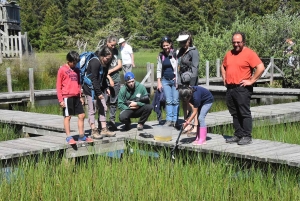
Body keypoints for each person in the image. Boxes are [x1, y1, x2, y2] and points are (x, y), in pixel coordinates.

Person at [221, 31, 265, 145]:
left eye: (238, 42)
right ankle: (238, 134)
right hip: (230, 88)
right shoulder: (229, 53)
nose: (236, 44)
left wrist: (251, 80)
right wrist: (224, 77)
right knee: (234, 113)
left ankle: (246, 135)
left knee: (244, 112)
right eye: (234, 42)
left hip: (242, 88)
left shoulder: (249, 53)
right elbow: (223, 65)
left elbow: (260, 67)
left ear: (243, 42)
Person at [56, 51, 93, 144]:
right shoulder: (62, 70)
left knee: (82, 115)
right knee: (68, 117)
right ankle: (69, 137)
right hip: (67, 97)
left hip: (76, 96)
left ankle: (81, 136)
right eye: (73, 62)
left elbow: (78, 84)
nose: (75, 64)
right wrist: (60, 100)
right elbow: (58, 86)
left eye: (76, 62)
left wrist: (80, 96)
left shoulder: (77, 70)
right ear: (68, 60)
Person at [82, 46, 116, 139]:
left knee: (103, 107)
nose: (108, 60)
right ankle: (93, 130)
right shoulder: (95, 62)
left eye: (109, 59)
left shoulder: (105, 64)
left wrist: (106, 88)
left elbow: (103, 78)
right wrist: (99, 93)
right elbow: (94, 79)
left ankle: (104, 129)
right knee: (92, 109)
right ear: (102, 56)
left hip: (98, 88)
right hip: (89, 88)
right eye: (107, 58)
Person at [176, 31, 200, 135]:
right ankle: (187, 123)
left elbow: (195, 68)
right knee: (184, 102)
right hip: (182, 81)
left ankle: (195, 125)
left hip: (191, 81)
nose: (182, 43)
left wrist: (192, 85)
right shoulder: (180, 51)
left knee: (192, 103)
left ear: (189, 40)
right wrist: (178, 81)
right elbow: (178, 67)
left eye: (184, 41)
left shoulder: (194, 52)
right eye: (181, 42)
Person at [156, 36, 179, 127]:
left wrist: (177, 77)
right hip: (165, 80)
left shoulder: (175, 53)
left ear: (170, 44)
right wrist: (158, 82)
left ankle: (175, 119)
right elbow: (158, 69)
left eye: (167, 45)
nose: (166, 47)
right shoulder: (161, 56)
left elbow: (179, 67)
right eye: (164, 45)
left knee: (176, 100)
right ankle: (169, 120)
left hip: (175, 80)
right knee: (168, 101)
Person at [105, 35, 122, 131]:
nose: (113, 47)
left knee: (113, 102)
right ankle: (102, 123)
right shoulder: (103, 52)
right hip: (105, 80)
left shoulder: (116, 51)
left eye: (115, 45)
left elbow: (119, 65)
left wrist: (110, 71)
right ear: (107, 42)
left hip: (116, 79)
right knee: (104, 102)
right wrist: (107, 75)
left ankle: (112, 121)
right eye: (112, 45)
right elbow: (102, 69)